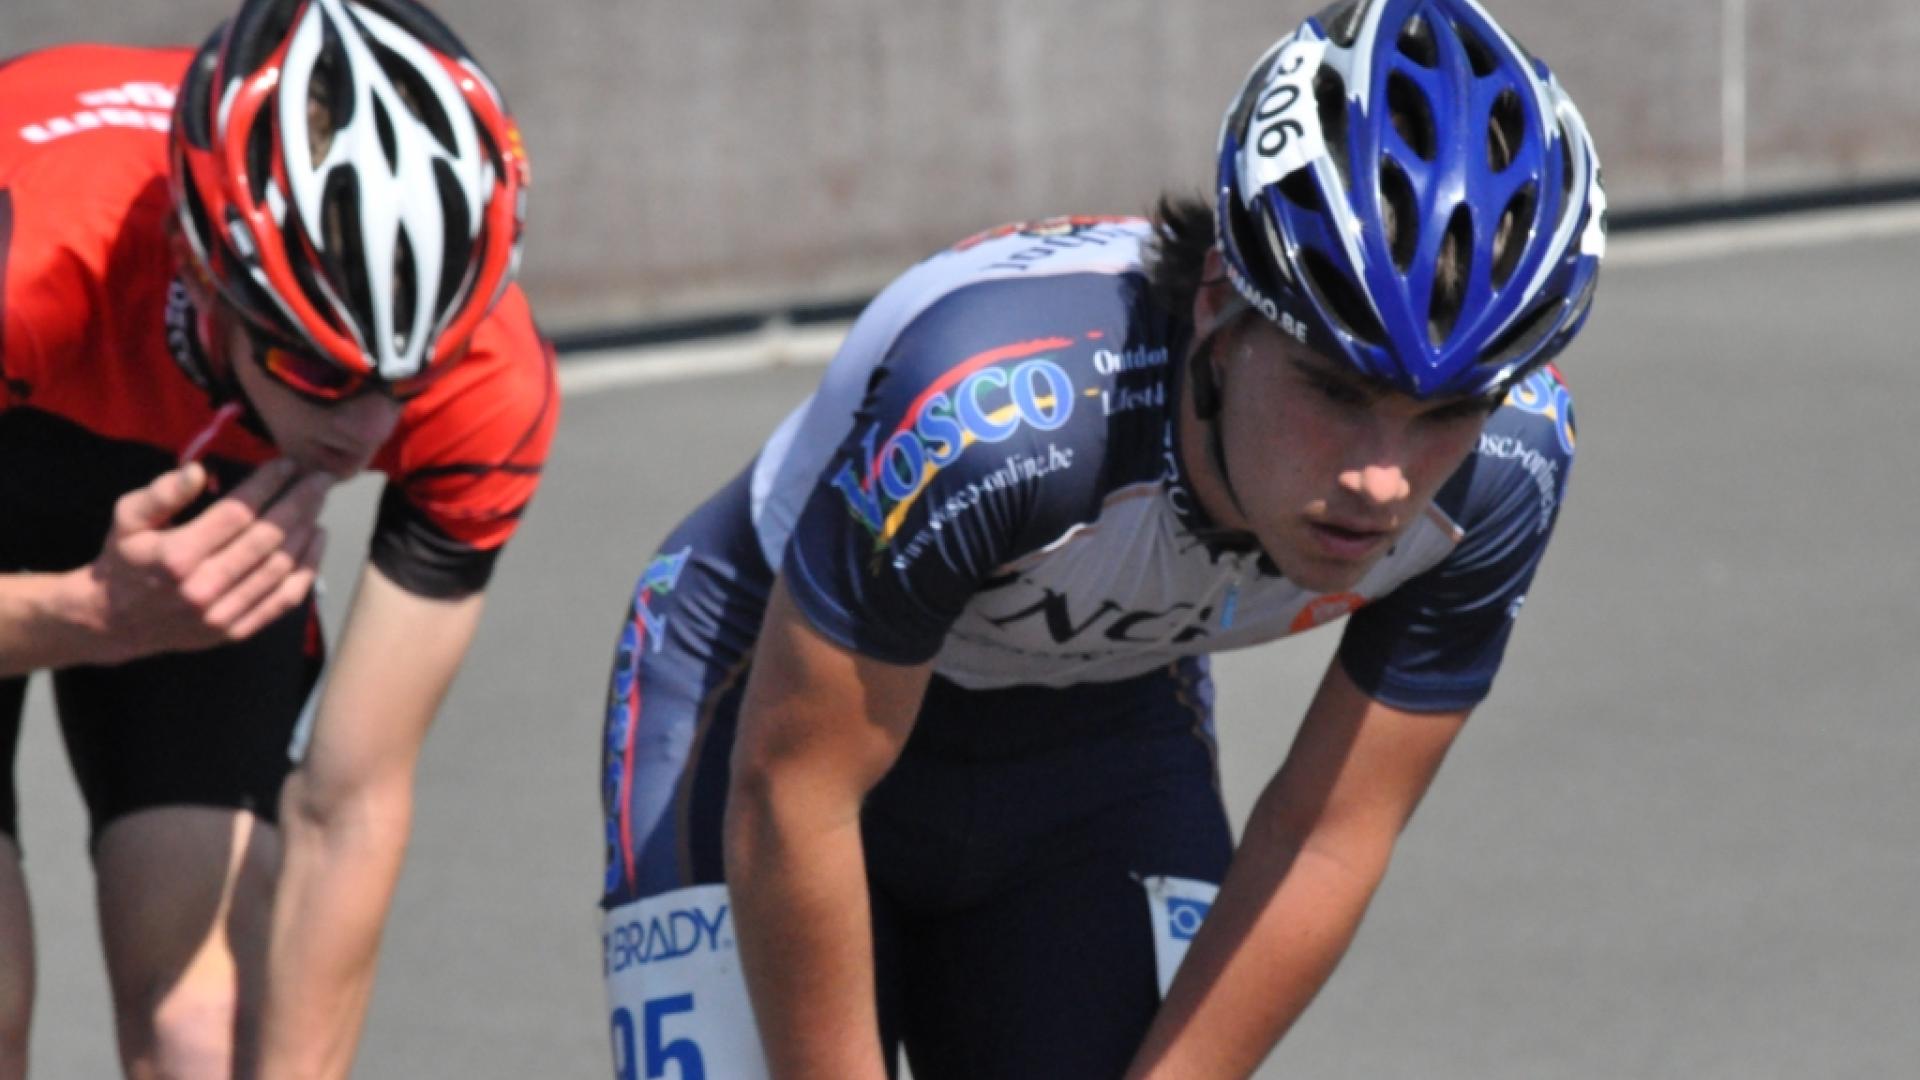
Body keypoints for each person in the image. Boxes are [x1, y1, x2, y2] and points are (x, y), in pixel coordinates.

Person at [598, 0, 1603, 1076]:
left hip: (1095, 730)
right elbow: (794, 792)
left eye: (1448, 412)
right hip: (765, 689)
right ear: (1219, 303)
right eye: (1334, 390)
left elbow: (1327, 836)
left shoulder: (1511, 467)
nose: (1381, 479)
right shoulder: (997, 420)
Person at [0, 0, 555, 1075]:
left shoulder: (487, 378)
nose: (366, 428)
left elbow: (353, 807)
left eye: (410, 380)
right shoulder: (31, 261)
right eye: (317, 371)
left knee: (211, 1038)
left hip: (192, 509)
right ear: (200, 274)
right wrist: (89, 616)